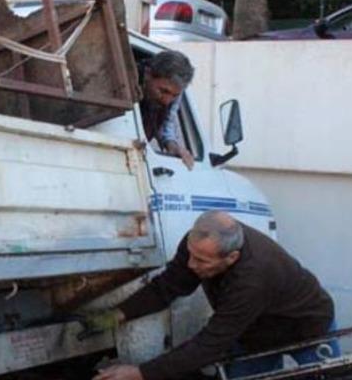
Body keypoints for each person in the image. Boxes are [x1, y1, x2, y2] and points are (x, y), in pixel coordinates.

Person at [86, 211, 338, 380]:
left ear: (232, 258)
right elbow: (169, 286)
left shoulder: (253, 278)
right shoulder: (198, 243)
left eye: (202, 261)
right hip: (252, 334)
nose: (192, 265)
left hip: (305, 326)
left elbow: (210, 344)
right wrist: (117, 314)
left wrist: (140, 373)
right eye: (191, 254)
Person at [139, 50, 195, 170]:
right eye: (163, 91)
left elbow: (168, 121)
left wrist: (173, 145)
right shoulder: (127, 80)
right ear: (148, 74)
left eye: (175, 96)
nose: (167, 101)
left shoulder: (174, 92)